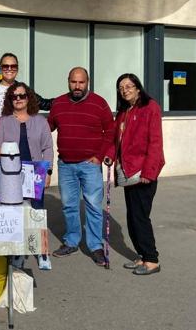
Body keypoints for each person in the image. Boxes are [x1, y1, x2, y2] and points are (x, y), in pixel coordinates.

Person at [47, 67, 115, 266]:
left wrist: (100, 156)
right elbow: (46, 128)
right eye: (73, 82)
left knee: (94, 206)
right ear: (68, 81)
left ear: (88, 82)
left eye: (81, 82)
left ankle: (95, 246)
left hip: (90, 165)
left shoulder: (99, 103)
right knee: (69, 206)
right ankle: (72, 241)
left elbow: (110, 131)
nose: (77, 86)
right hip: (66, 164)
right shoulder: (58, 103)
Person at [104, 73, 164, 275]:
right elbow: (115, 141)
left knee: (140, 217)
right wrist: (110, 156)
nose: (125, 89)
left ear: (138, 88)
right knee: (132, 217)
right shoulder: (123, 112)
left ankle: (152, 260)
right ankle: (142, 256)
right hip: (128, 171)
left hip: (143, 171)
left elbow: (155, 142)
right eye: (121, 87)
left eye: (129, 86)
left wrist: (149, 171)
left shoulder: (150, 107)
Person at [0, 82, 54, 270]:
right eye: (14, 96)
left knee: (37, 213)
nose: (18, 99)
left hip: (35, 173)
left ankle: (42, 251)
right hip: (10, 176)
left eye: (22, 95)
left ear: (28, 98)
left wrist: (48, 171)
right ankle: (17, 252)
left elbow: (48, 147)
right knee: (15, 213)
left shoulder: (40, 121)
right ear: (10, 100)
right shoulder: (3, 122)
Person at [0, 53, 52, 118]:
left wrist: (62, 99)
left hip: (18, 129)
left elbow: (45, 104)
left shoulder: (25, 90)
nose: (9, 69)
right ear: (0, 69)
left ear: (17, 69)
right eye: (5, 66)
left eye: (13, 66)